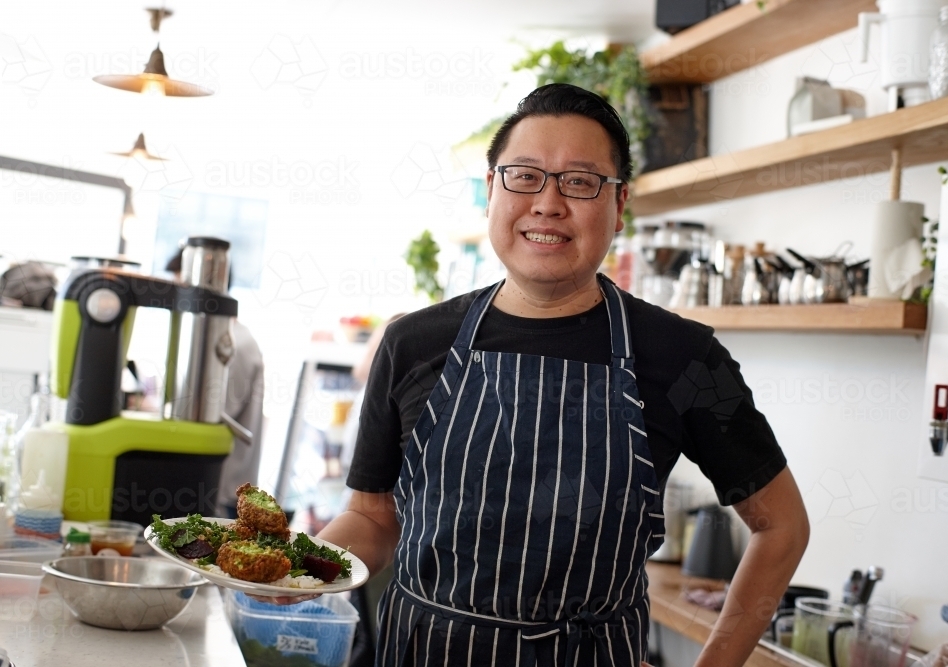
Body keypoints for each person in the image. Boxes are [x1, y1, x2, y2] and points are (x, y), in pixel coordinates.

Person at [308, 83, 809, 666]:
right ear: (491, 190)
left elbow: (782, 526)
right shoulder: (412, 344)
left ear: (619, 206)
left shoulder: (686, 356)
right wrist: (293, 571)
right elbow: (371, 518)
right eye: (524, 176)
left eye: (580, 181)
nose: (548, 203)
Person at [166, 250, 265, 519]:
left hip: (222, 491)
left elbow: (205, 420)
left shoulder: (234, 345)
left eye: (183, 288)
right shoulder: (212, 341)